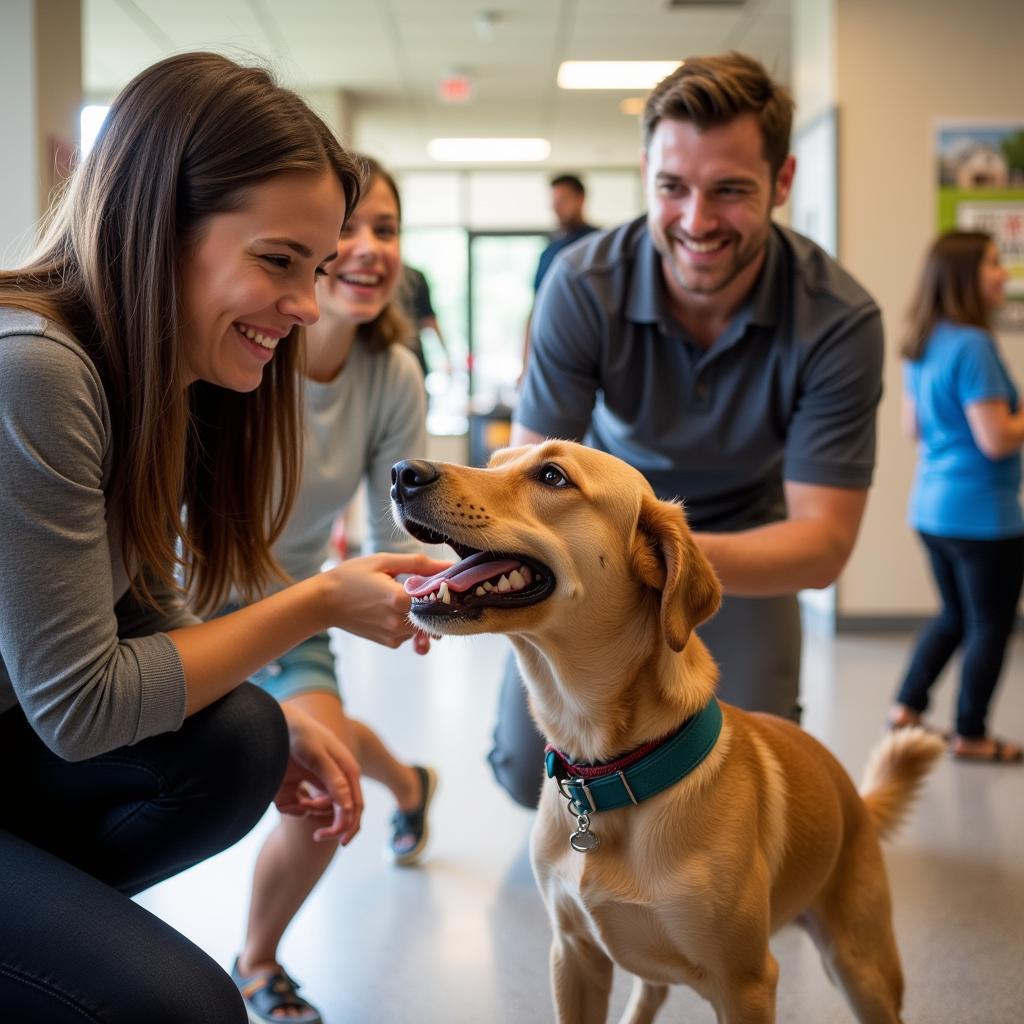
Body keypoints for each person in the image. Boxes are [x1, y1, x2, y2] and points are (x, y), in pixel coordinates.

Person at [0, 53, 448, 1023]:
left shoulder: (156, 376)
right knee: (188, 1006)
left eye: (316, 268)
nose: (304, 301)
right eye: (280, 262)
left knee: (245, 737)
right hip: (31, 727)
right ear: (161, 225)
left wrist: (283, 705)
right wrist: (320, 599)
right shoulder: (36, 369)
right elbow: (81, 706)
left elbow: (141, 612)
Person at [491, 51, 884, 807]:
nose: (697, 222)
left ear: (784, 181)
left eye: (731, 191)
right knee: (523, 767)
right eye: (672, 187)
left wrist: (664, 564)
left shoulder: (839, 319)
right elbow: (523, 479)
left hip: (747, 532)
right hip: (600, 522)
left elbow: (822, 545)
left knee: (748, 751)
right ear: (646, 172)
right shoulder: (580, 284)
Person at [231, 158, 439, 1024]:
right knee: (332, 740)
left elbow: (401, 539)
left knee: (327, 782)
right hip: (171, 609)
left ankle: (257, 958)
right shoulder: (242, 341)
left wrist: (436, 589)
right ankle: (414, 785)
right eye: (343, 231)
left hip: (288, 613)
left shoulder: (391, 374)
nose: (365, 249)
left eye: (384, 230)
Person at [888, 231, 1023, 763]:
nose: (1003, 274)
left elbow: (911, 428)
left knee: (954, 615)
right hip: (984, 516)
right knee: (990, 623)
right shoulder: (973, 344)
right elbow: (995, 439)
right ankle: (971, 733)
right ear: (965, 275)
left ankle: (906, 707)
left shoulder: (923, 340)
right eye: (993, 263)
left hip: (932, 509)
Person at [401, 263, 451, 377]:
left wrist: (446, 356)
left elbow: (429, 320)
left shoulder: (414, 277)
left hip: (413, 355)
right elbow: (430, 321)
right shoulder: (415, 276)